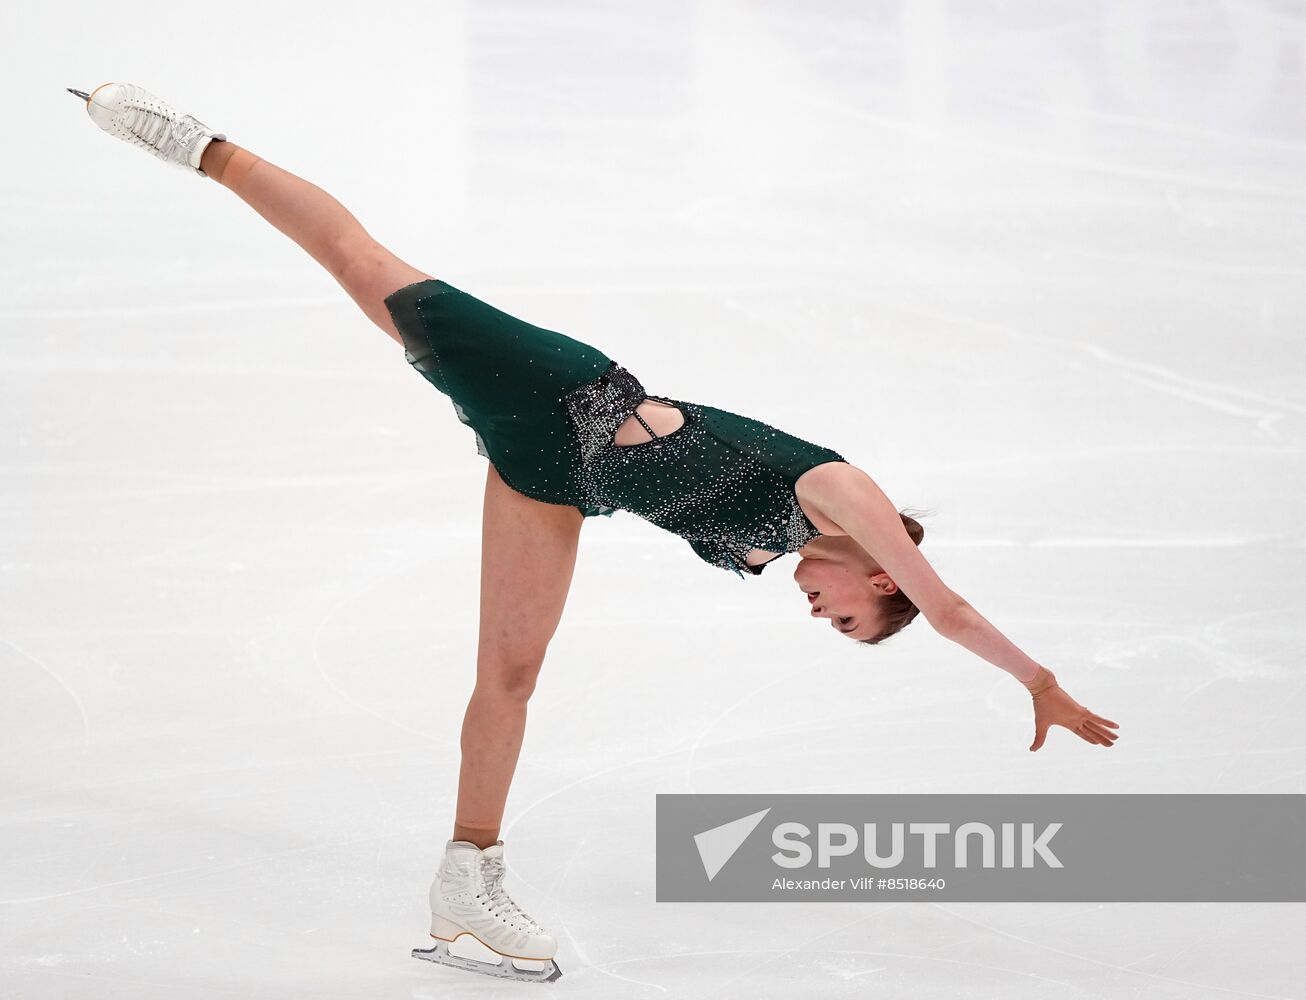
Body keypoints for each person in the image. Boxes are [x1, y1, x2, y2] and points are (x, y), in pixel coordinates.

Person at [68, 82, 1122, 984]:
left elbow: (787, 551)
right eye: (846, 620)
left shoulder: (768, 547)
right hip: (562, 389)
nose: (823, 615)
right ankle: (189, 140)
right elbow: (949, 604)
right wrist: (1035, 680)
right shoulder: (844, 496)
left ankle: (466, 873)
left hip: (552, 481)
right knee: (359, 262)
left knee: (510, 675)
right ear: (883, 582)